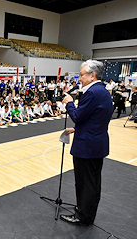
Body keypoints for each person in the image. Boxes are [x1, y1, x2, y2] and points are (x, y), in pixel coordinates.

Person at [61, 60, 113, 226]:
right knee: (93, 182)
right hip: (97, 142)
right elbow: (97, 118)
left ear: (92, 75)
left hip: (86, 146)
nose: (80, 78)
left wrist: (69, 102)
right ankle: (88, 214)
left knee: (84, 183)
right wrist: (79, 129)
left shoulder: (91, 93)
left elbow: (77, 116)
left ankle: (83, 216)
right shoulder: (103, 91)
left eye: (82, 75)